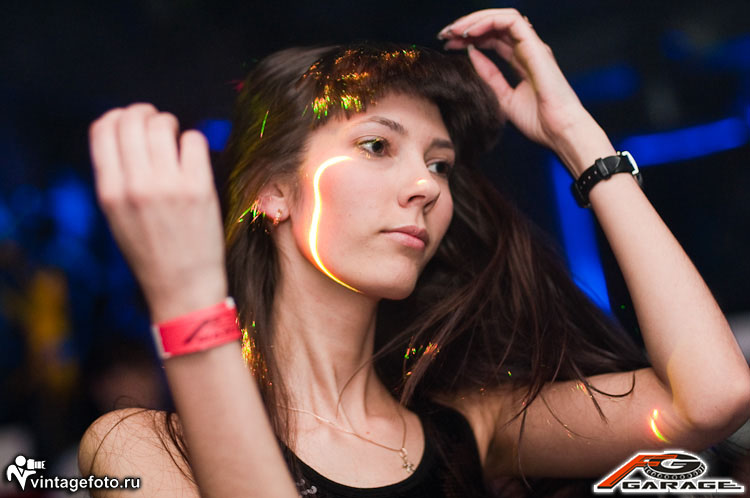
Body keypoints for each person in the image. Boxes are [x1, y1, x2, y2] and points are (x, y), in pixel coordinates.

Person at [77, 8, 750, 498]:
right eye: (377, 145)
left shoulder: (472, 430)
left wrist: (579, 140)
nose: (428, 185)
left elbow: (710, 400)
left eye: (441, 164)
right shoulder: (143, 447)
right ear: (271, 191)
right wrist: (186, 298)